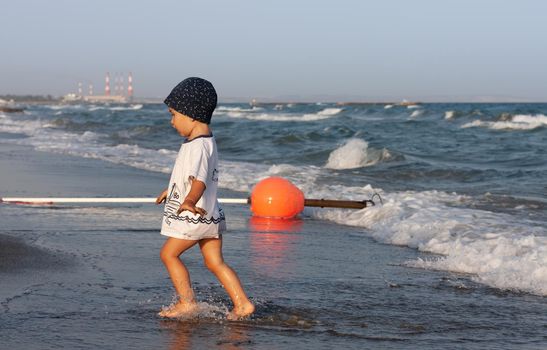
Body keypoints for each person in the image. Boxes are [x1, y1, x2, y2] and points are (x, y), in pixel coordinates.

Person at [155, 77, 255, 320]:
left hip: (195, 215)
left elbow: (199, 181)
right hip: (210, 214)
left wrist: (188, 201)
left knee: (168, 255)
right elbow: (193, 177)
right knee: (215, 262)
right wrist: (174, 190)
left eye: (173, 114)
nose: (172, 121)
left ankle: (186, 302)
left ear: (191, 114)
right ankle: (243, 304)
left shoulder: (198, 146)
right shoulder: (204, 142)